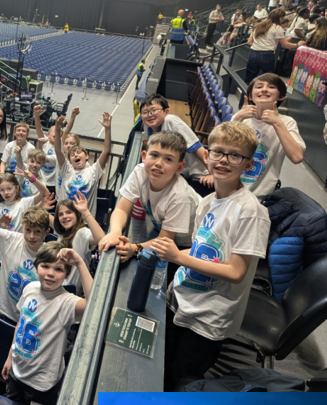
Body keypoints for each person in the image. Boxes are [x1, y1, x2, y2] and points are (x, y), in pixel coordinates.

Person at [151, 122, 271, 391]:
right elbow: (198, 251)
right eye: (218, 152)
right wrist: (159, 251)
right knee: (161, 368)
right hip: (180, 300)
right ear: (207, 156)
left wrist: (177, 257)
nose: (224, 160)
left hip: (207, 319)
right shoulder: (205, 202)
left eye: (235, 155)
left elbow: (236, 272)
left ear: (249, 164)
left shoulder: (251, 212)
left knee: (180, 380)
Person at [99, 132, 201, 285]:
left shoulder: (181, 196)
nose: (158, 163)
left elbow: (164, 240)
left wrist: (133, 249)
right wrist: (115, 232)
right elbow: (121, 209)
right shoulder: (140, 172)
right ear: (144, 156)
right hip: (165, 232)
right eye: (154, 155)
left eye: (168, 159)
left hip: (189, 245)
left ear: (179, 167)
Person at [2, 244, 92, 405]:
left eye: (58, 269)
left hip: (42, 383)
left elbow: (94, 304)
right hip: (17, 370)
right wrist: (10, 356)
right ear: (36, 267)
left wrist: (79, 263)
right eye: (45, 266)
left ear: (66, 275)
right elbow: (21, 325)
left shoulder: (66, 302)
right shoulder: (30, 288)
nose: (50, 273)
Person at [233, 73, 305, 199]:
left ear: (281, 96)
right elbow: (217, 148)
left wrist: (277, 123)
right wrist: (237, 118)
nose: (264, 89)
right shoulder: (241, 118)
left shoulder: (286, 122)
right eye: (259, 86)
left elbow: (297, 157)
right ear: (250, 96)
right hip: (229, 189)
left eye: (271, 87)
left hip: (258, 197)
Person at [0, 206, 51, 323]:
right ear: (22, 227)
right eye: (28, 230)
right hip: (5, 310)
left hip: (30, 316)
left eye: (37, 231)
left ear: (46, 232)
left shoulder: (49, 255)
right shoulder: (12, 239)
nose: (32, 236)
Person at [140, 94, 210, 195]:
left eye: (154, 110)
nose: (149, 115)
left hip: (198, 176)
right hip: (177, 174)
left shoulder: (172, 122)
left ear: (166, 112)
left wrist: (211, 173)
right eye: (145, 112)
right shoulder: (148, 126)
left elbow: (197, 147)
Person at [0, 170, 48, 261]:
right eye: (2, 190)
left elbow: (45, 193)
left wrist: (32, 179)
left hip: (11, 254)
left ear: (17, 188)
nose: (6, 192)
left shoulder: (24, 203)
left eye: (9, 188)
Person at [54, 112, 112, 217]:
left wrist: (107, 129)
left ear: (86, 156)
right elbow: (58, 150)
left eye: (78, 153)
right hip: (64, 218)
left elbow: (106, 150)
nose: (75, 155)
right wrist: (57, 131)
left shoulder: (93, 171)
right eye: (72, 155)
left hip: (84, 220)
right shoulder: (66, 169)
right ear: (70, 161)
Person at [51, 192, 105, 292]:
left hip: (72, 292)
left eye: (69, 212)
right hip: (58, 287)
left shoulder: (82, 233)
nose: (64, 216)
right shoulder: (62, 235)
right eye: (60, 214)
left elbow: (100, 238)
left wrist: (85, 211)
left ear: (77, 215)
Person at [245, 8, 305, 84]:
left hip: (253, 53)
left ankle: (246, 91)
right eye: (282, 18)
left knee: (249, 79)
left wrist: (260, 46)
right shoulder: (277, 28)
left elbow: (249, 42)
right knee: (268, 80)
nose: (283, 20)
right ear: (277, 18)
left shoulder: (258, 26)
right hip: (267, 55)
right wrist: (298, 44)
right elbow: (285, 45)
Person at [33, 105, 57, 188]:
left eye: (58, 132)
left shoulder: (60, 146)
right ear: (48, 134)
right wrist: (36, 114)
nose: (56, 133)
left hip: (52, 182)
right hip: (40, 179)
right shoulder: (44, 141)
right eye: (54, 131)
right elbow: (38, 128)